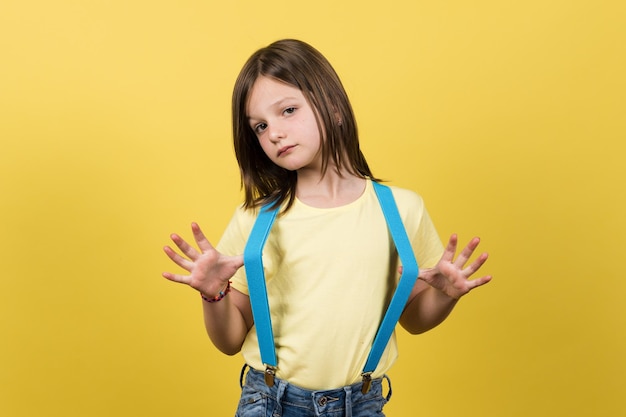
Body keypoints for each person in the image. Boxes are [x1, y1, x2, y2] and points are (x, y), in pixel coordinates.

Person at [162, 39, 492, 417]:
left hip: (362, 404)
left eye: (288, 110)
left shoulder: (401, 210)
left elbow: (415, 319)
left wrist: (445, 296)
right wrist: (213, 294)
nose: (274, 133)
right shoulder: (255, 219)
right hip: (270, 403)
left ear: (334, 108)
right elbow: (230, 340)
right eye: (260, 126)